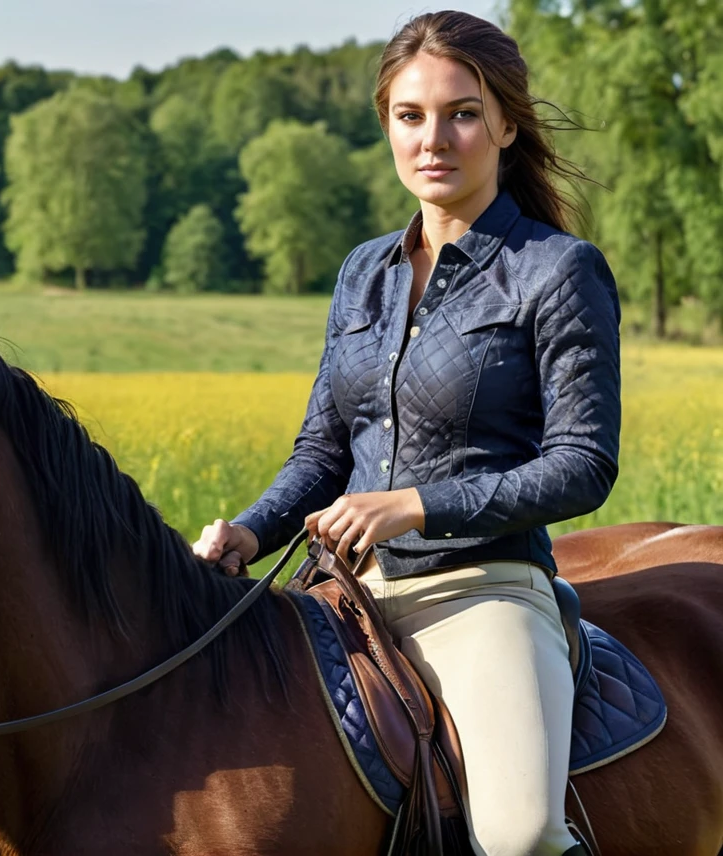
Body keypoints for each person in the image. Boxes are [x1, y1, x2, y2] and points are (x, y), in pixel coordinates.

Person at [192, 11, 620, 856]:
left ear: (504, 123)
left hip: (483, 591)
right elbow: (321, 451)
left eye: (462, 112)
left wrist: (416, 506)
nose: (436, 139)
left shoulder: (557, 270)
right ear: (387, 124)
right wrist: (249, 528)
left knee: (521, 834)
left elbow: (584, 465)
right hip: (338, 599)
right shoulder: (362, 272)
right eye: (411, 115)